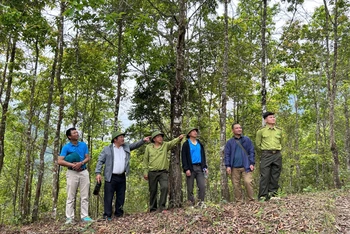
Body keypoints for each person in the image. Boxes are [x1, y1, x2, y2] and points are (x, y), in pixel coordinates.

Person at [95, 132, 150, 220]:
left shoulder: (125, 147)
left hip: (122, 176)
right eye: (121, 137)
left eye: (123, 137)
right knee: (108, 196)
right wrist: (98, 173)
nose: (123, 139)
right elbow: (100, 161)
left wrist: (143, 140)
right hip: (111, 177)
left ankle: (119, 214)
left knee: (121, 196)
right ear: (115, 139)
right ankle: (107, 216)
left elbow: (134, 145)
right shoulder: (107, 149)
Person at [143, 131, 184, 213]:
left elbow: (172, 143)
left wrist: (179, 138)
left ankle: (162, 207)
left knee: (164, 187)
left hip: (163, 172)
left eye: (161, 136)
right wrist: (145, 171)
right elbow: (145, 160)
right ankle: (153, 208)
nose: (161, 138)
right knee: (153, 190)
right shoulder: (149, 147)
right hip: (152, 172)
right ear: (154, 139)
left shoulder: (165, 145)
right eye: (158, 137)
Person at [58, 127, 93, 224]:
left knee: (85, 195)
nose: (77, 134)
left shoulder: (83, 145)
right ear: (69, 136)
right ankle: (69, 217)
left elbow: (87, 158)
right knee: (71, 195)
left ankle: (85, 216)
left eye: (77, 132)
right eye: (74, 133)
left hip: (83, 171)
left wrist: (81, 163)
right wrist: (73, 165)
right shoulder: (66, 147)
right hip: (72, 172)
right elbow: (60, 161)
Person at [224, 123, 255, 203]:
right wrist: (228, 166)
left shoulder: (247, 140)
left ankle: (251, 200)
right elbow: (227, 154)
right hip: (234, 167)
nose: (239, 129)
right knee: (236, 185)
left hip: (246, 166)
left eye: (240, 128)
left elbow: (251, 151)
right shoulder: (230, 142)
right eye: (237, 128)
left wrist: (252, 163)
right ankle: (239, 201)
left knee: (248, 182)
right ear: (233, 130)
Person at [256, 112, 283, 201]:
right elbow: (258, 144)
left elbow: (282, 142)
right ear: (266, 120)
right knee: (265, 175)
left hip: (277, 154)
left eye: (274, 117)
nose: (273, 118)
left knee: (275, 175)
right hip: (266, 154)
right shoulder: (261, 131)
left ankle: (273, 195)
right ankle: (263, 196)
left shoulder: (279, 131)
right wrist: (266, 151)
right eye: (271, 117)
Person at [181, 127, 208, 208]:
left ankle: (201, 202)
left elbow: (203, 156)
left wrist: (205, 167)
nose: (195, 132)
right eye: (193, 131)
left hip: (200, 167)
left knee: (202, 186)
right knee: (190, 187)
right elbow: (184, 157)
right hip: (190, 168)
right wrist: (186, 169)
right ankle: (191, 204)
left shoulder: (200, 143)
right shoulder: (186, 144)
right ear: (189, 134)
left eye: (196, 131)